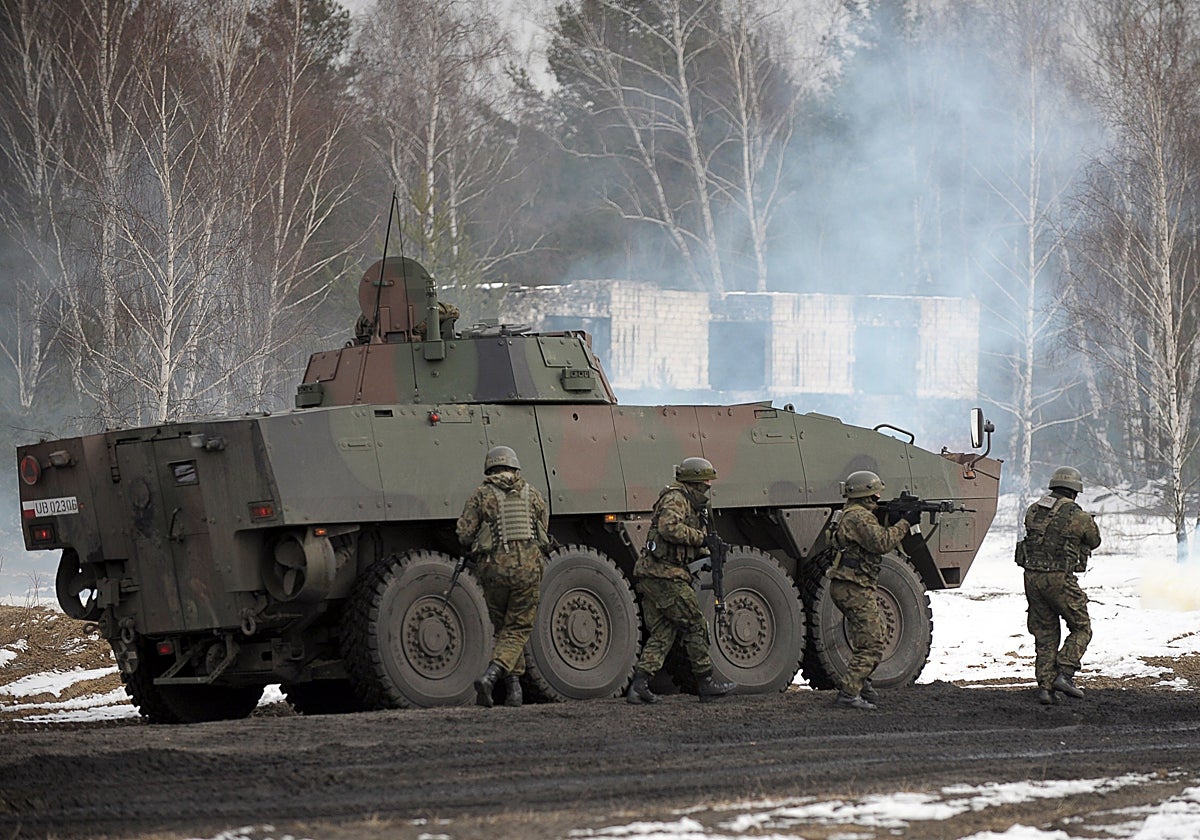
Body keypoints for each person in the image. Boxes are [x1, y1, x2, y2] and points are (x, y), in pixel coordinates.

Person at [626, 457, 736, 705]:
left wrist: (709, 552)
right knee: (696, 624)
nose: (708, 487)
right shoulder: (677, 499)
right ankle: (706, 683)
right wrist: (701, 539)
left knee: (663, 632)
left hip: (657, 574)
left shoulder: (689, 503)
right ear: (695, 483)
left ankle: (639, 685)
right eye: (706, 483)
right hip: (664, 575)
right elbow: (668, 529)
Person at [456, 445, 551, 708]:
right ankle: (491, 675)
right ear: (515, 467)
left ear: (490, 468)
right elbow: (543, 527)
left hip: (493, 571)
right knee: (518, 628)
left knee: (505, 629)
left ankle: (514, 691)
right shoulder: (533, 495)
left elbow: (464, 533)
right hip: (528, 570)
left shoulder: (480, 495)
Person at [826, 469, 918, 710]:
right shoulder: (859, 517)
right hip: (853, 587)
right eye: (876, 496)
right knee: (873, 644)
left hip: (851, 585)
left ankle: (861, 682)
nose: (878, 500)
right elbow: (882, 543)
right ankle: (849, 692)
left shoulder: (851, 514)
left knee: (870, 634)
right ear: (868, 495)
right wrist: (906, 522)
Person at [1018, 466, 1102, 705]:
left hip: (1032, 578)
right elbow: (1094, 541)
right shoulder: (1078, 516)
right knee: (1082, 627)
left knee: (1045, 633)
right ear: (1075, 491)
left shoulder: (1034, 509)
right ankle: (1064, 674)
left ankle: (1045, 688)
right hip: (1058, 578)